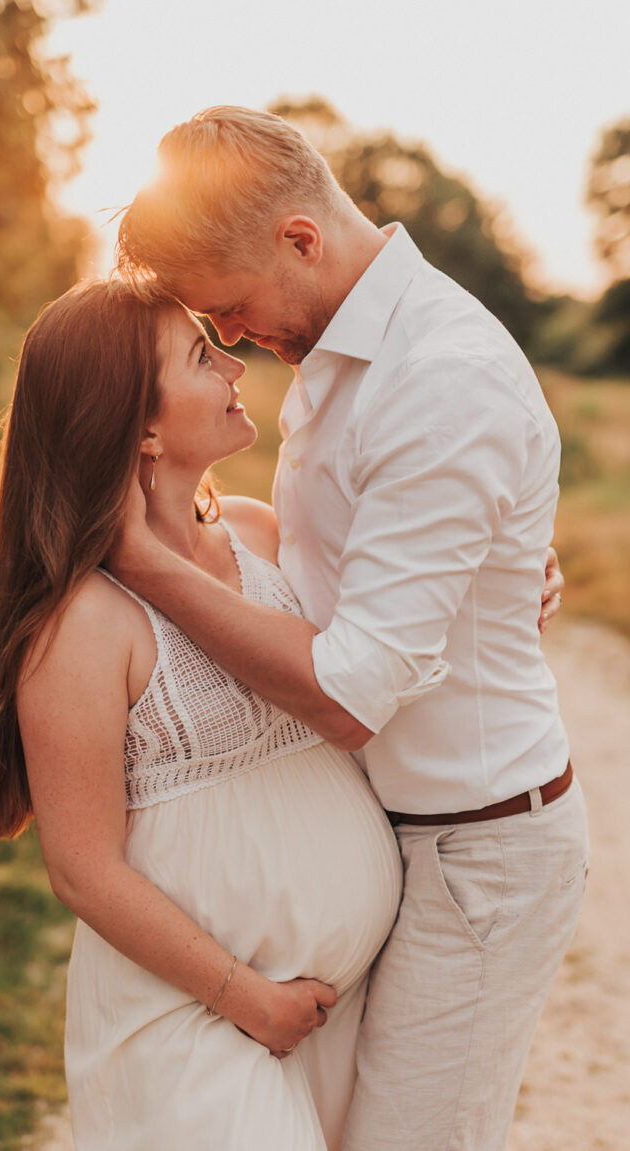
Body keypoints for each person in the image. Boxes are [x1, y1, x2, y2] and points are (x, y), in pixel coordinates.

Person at [111, 106, 588, 1151]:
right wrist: (495, 581)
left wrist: (141, 561)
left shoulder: (439, 375)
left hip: (478, 844)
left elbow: (349, 687)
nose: (230, 338)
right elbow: (333, 567)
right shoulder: (340, 351)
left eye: (230, 307)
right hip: (401, 838)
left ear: (299, 238)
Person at [0, 279, 405, 1151]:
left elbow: (391, 643)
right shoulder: (82, 624)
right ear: (143, 428)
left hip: (334, 1010)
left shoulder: (262, 534)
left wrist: (511, 586)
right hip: (192, 1022)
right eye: (203, 355)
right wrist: (248, 998)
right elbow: (84, 869)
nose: (234, 362)